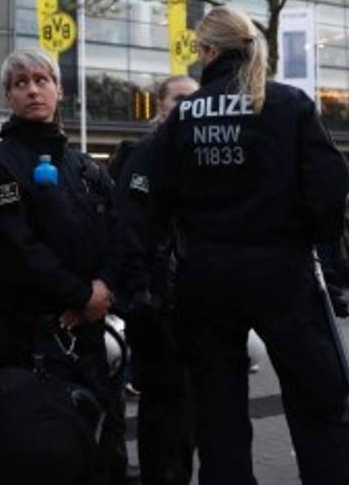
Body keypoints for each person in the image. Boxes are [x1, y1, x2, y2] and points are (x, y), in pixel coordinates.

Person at [148, 5, 349, 484]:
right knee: (318, 401)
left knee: (217, 412)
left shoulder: (184, 115)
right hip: (282, 271)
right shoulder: (288, 104)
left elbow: (157, 196)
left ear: (207, 51)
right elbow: (331, 183)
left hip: (205, 277)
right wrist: (310, 237)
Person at [0, 49, 129, 484]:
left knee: (102, 449)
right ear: (8, 96)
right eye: (20, 83)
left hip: (90, 332)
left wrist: (102, 289)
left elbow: (118, 232)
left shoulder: (83, 165)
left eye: (41, 80)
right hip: (28, 337)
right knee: (42, 457)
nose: (32, 90)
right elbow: (15, 248)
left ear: (59, 91)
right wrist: (81, 295)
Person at [119, 74, 199, 485]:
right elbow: (130, 228)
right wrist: (141, 293)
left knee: (187, 408)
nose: (186, 107)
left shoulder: (199, 156)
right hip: (155, 305)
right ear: (160, 106)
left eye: (193, 100)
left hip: (194, 303)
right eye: (178, 99)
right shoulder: (146, 155)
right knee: (162, 406)